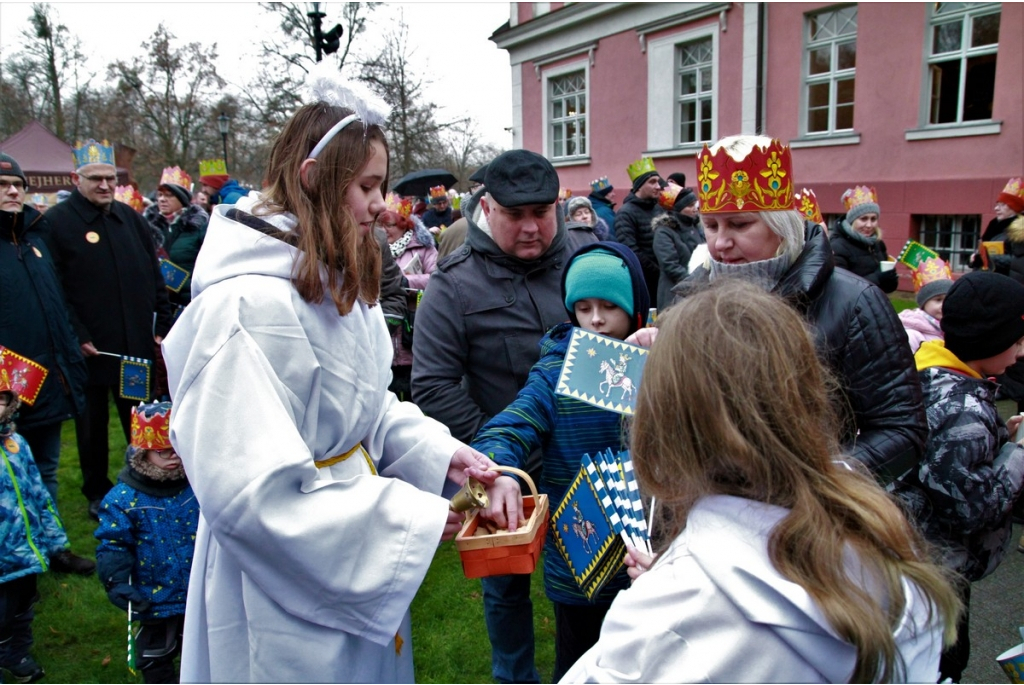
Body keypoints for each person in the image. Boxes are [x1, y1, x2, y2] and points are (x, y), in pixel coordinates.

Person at [160, 69, 499, 683]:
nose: (381, 204)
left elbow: (366, 407)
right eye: (368, 186)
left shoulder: (335, 280)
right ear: (316, 179)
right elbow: (252, 497)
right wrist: (409, 520)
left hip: (347, 538)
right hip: (282, 584)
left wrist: (443, 456)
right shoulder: (244, 309)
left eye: (382, 185)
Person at [562, 279, 960, 683]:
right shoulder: (884, 535)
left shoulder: (663, 615)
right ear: (808, 392)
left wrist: (670, 590)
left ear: (662, 423)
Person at [413, 149, 594, 684]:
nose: (533, 227)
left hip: (583, 463)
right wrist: (498, 461)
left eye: (542, 211)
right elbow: (432, 386)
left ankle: (585, 671)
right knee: (505, 586)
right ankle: (514, 676)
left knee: (588, 585)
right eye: (516, 214)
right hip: (496, 469)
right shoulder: (454, 282)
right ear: (486, 208)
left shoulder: (586, 257)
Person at [666, 135, 927, 486]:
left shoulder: (855, 303)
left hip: (812, 519)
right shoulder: (688, 299)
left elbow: (901, 429)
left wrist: (820, 483)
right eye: (711, 226)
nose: (720, 243)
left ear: (782, 226)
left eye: (740, 224)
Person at [476, 242, 650, 681]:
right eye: (583, 306)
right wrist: (495, 466)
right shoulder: (557, 370)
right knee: (578, 664)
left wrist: (667, 360)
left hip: (648, 553)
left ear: (636, 310)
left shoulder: (662, 362)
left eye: (610, 306)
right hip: (579, 560)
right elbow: (515, 420)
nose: (595, 319)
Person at [894, 272, 1024, 682]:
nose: (1022, 352)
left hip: (922, 558)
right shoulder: (963, 407)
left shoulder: (936, 375)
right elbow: (972, 506)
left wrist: (1005, 441)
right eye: (1018, 341)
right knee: (942, 661)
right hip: (936, 569)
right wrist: (1019, 454)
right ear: (990, 341)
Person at [42, 139, 174, 520]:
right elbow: (56, 289)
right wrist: (77, 333)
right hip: (92, 352)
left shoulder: (130, 218)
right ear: (76, 179)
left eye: (109, 178)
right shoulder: (58, 223)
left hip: (133, 348)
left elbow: (154, 276)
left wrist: (161, 323)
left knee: (139, 418)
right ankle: (97, 491)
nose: (104, 185)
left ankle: (142, 478)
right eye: (95, 178)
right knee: (92, 427)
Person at [0, 153, 94, 575]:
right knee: (9, 475)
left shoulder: (37, 239)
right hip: (7, 386)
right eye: (3, 185)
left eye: (17, 184)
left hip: (48, 377)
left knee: (46, 469)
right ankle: (14, 558)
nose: (13, 191)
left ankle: (51, 549)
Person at [94, 401, 198, 684]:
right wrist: (117, 581)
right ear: (143, 452)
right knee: (155, 658)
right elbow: (113, 544)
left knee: (202, 653)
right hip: (153, 598)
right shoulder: (123, 499)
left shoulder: (197, 485)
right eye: (163, 452)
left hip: (198, 594)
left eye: (177, 451)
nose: (173, 458)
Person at [0, 352, 76, 683]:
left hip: (25, 549)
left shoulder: (17, 442)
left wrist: (54, 538)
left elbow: (39, 493)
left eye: (1, 400)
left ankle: (18, 652)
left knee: (23, 606)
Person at [379, 195, 437, 400]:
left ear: (404, 224)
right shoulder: (375, 247)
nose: (384, 230)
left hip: (413, 328)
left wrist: (406, 282)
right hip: (385, 332)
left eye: (390, 224)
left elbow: (438, 278)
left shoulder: (423, 248)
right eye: (380, 224)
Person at [142, 166, 209, 307]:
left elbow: (208, 267)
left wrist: (183, 286)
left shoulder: (200, 227)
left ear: (182, 199)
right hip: (156, 303)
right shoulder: (146, 226)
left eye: (169, 195)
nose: (162, 199)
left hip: (189, 302)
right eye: (160, 195)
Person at [830, 185, 899, 293]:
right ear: (852, 220)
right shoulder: (838, 247)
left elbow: (889, 289)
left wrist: (890, 278)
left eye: (873, 219)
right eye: (863, 219)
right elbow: (841, 289)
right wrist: (877, 277)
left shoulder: (877, 243)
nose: (869, 225)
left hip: (876, 305)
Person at [616, 157, 664, 300]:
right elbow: (630, 250)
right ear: (639, 186)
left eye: (658, 181)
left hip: (663, 278)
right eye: (652, 182)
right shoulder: (625, 213)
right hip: (644, 281)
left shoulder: (659, 208)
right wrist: (657, 270)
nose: (658, 186)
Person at [652, 184, 703, 310]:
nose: (695, 209)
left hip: (698, 291)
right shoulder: (664, 231)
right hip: (674, 293)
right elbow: (669, 264)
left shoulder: (696, 227)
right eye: (690, 206)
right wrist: (693, 282)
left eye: (695, 205)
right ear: (678, 208)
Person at [898, 257, 953, 354]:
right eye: (938, 300)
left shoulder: (955, 328)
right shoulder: (912, 335)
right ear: (924, 303)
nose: (944, 305)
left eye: (949, 299)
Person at [970, 177, 1023, 270]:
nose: (996, 208)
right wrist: (974, 258)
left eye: (1002, 205)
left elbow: (1018, 261)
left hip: (1003, 281)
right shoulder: (994, 226)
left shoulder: (1020, 231)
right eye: (997, 204)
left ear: (1015, 207)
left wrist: (989, 259)